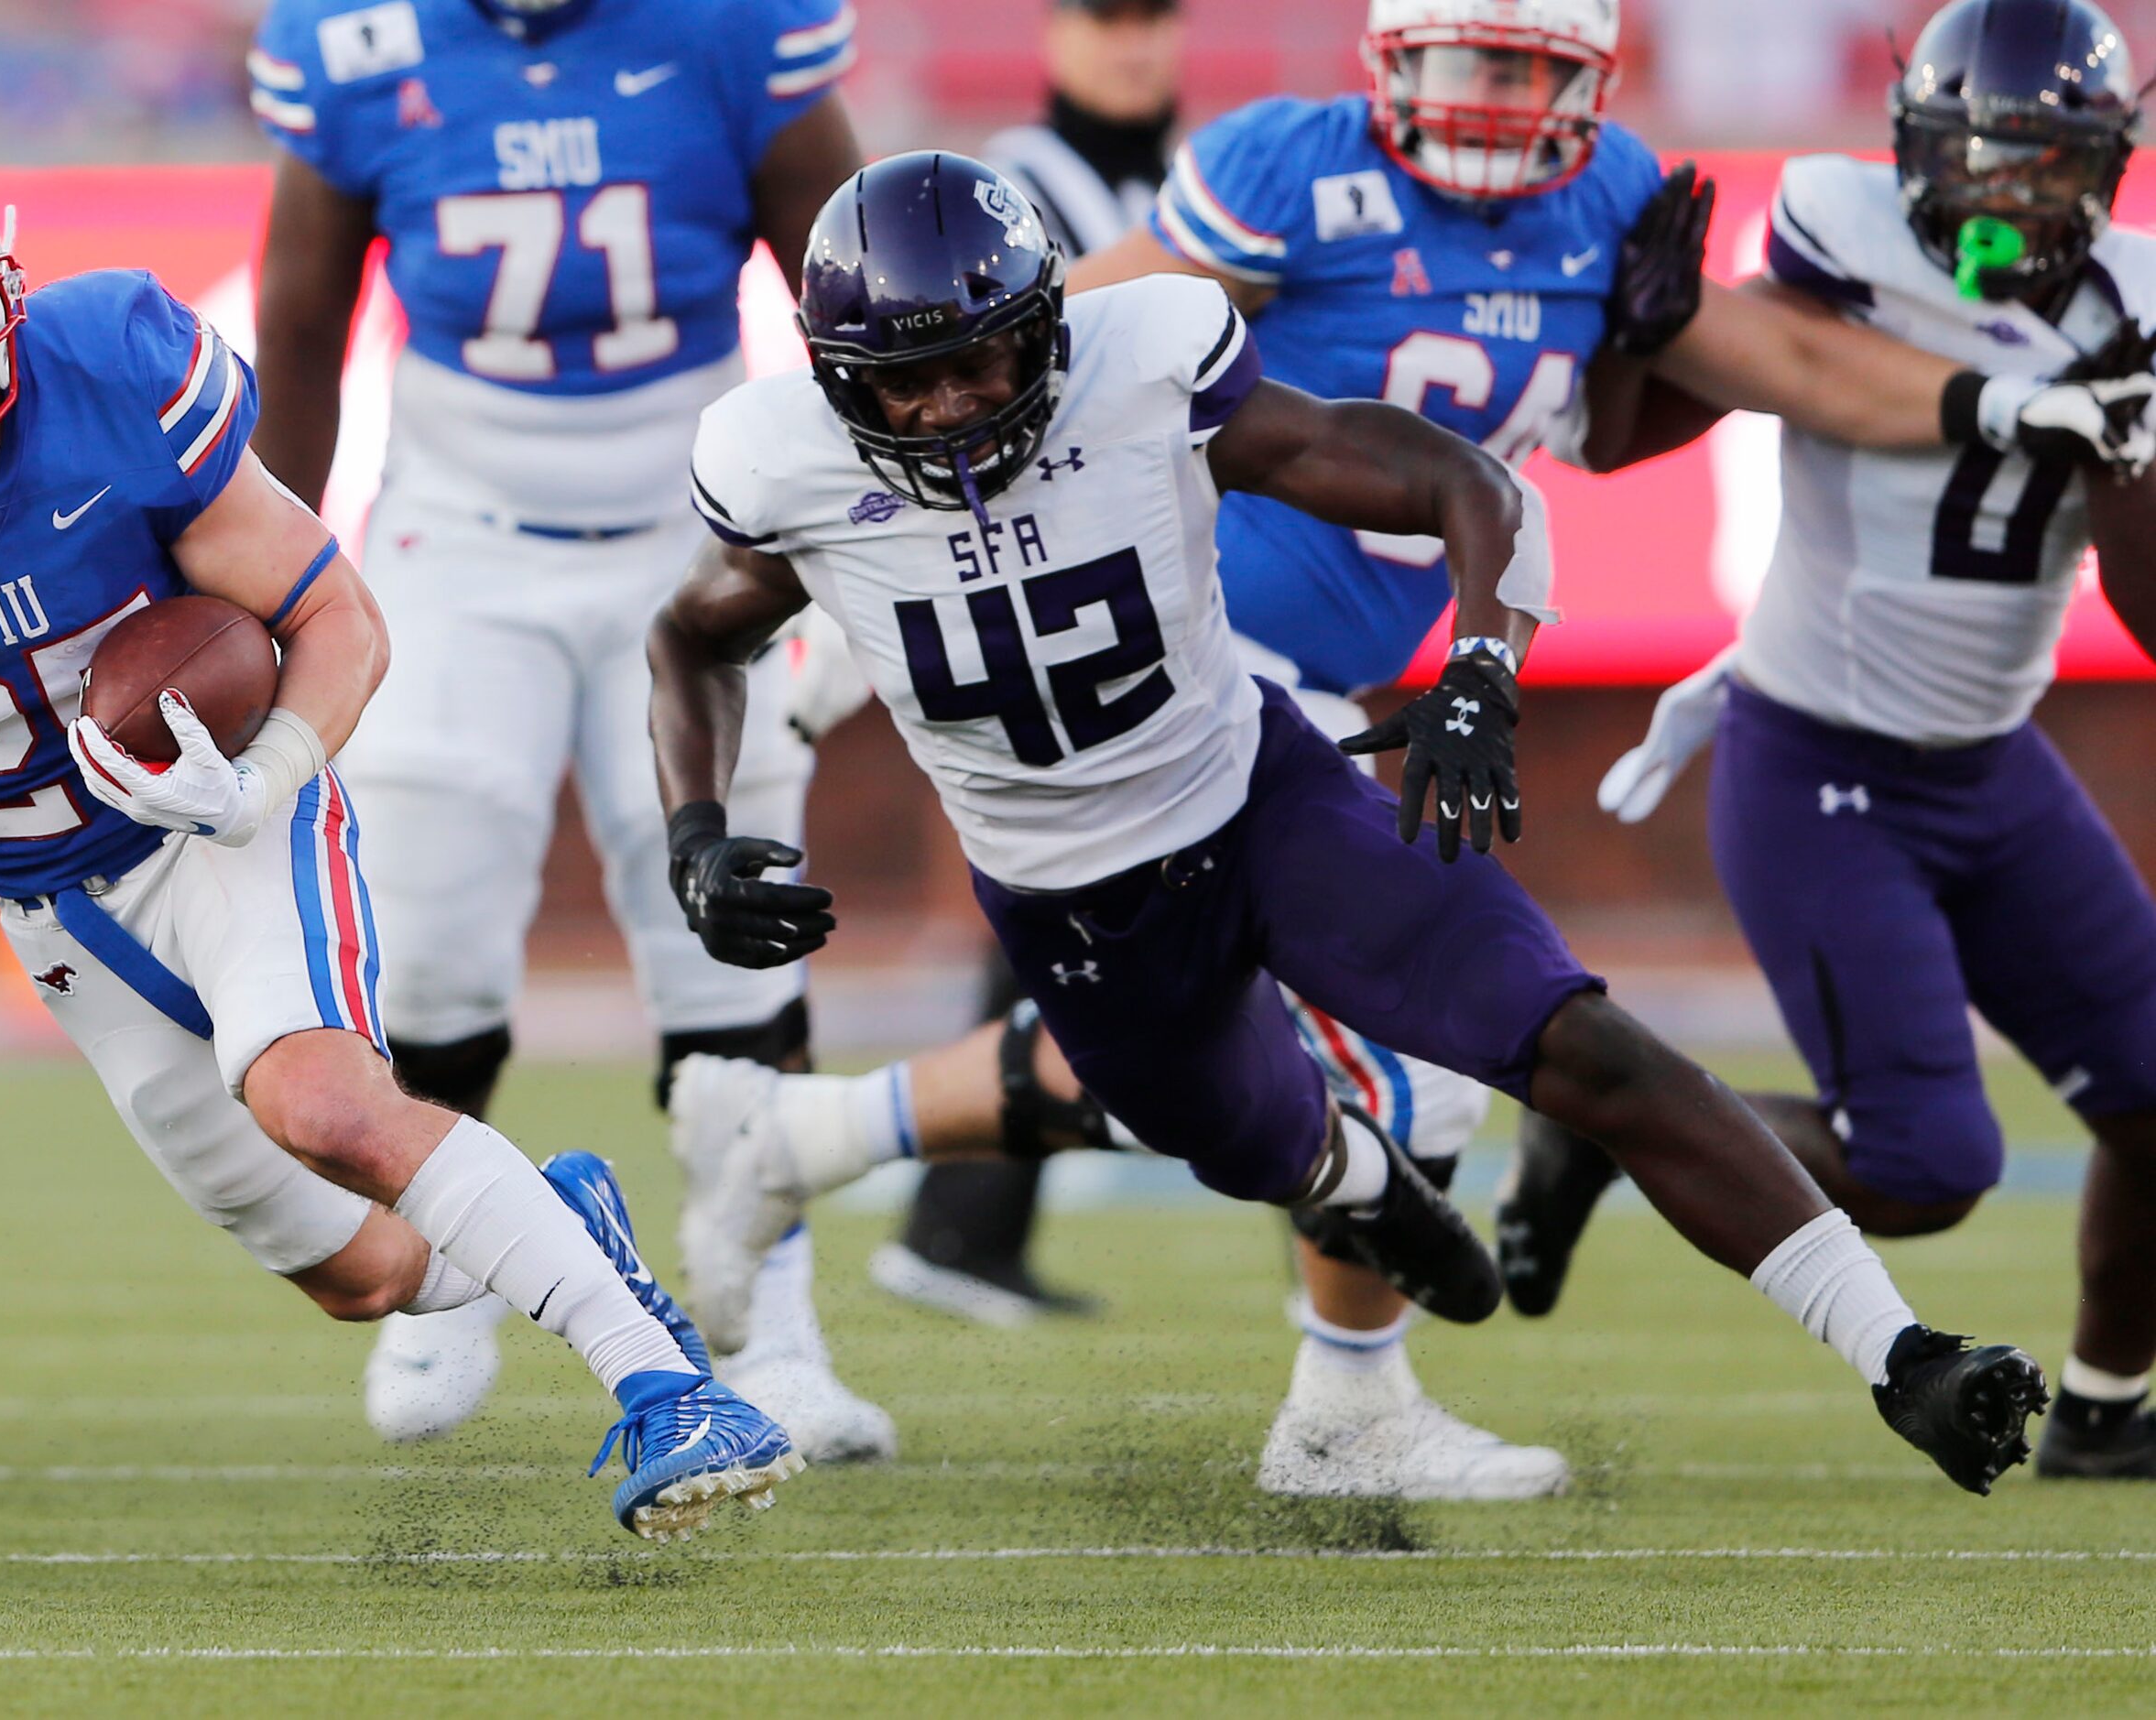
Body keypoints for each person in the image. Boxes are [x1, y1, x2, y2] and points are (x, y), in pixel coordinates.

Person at [681, 0, 2155, 1498]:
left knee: (1503, 1050)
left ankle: (1404, 1398)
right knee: (1279, 1107)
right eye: (1468, 61)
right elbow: (959, 418)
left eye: (1529, 67)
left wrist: (1987, 402)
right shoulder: (1265, 184)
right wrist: (753, 758)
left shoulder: (1581, 210)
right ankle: (841, 1142)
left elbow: (1646, 419)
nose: (1497, 100)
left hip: (1267, 735)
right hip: (1134, 766)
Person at [0, 130, 794, 1540]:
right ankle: (570, 1235)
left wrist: (269, 777)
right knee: (364, 1274)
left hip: (223, 815)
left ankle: (674, 1390)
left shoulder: (112, 366)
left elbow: (337, 616)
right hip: (55, 908)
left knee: (317, 1101)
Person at [246, 0, 891, 1459]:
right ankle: (449, 1273)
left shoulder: (735, 27)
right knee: (436, 908)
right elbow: (300, 325)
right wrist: (264, 575)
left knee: (729, 924)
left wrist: (865, 539)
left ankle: (774, 1317)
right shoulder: (355, 43)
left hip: (703, 519)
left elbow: (849, 293)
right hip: (459, 525)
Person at [1523, 0, 2156, 1483]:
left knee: (2154, 1092)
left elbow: (2148, 601)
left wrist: (2128, 445)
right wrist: (1648, 330)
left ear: (2110, 167)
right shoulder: (1839, 227)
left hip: (1992, 758)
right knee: (1928, 1168)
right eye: (1989, 163)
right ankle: (1630, 1127)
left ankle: (2112, 1406)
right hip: (1821, 761)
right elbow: (1621, 435)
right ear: (1917, 154)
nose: (2018, 200)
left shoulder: (2134, 293)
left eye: (2055, 167)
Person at [847, 0, 1187, 1333]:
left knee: (1083, 906)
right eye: (1108, 17)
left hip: (1141, 571)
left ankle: (959, 1221)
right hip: (1025, 570)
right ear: (1052, 32)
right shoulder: (1003, 192)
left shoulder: (1176, 178)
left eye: (1156, 18)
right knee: (1087, 894)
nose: (1135, 47)